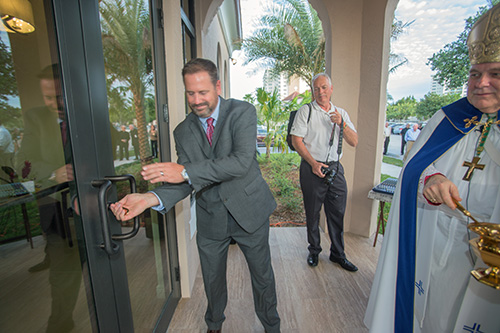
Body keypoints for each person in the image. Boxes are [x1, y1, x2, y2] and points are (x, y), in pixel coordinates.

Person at [110, 58, 280, 333]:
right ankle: (214, 325)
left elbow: (240, 162)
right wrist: (148, 198)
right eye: (191, 93)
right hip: (211, 216)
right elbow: (186, 181)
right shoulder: (182, 131)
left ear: (218, 86)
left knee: (262, 277)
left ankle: (272, 326)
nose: (197, 100)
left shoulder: (242, 112)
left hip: (250, 210)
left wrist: (185, 171)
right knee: (212, 280)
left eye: (203, 92)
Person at [365, 5, 500, 332]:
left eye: (495, 73)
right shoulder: (448, 119)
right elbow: (415, 167)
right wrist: (432, 176)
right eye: (474, 73)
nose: (481, 83)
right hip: (439, 247)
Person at [18, 64, 80, 332]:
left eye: (59, 95)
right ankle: (60, 323)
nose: (55, 103)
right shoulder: (35, 119)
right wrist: (53, 174)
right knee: (63, 273)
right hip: (55, 211)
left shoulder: (90, 114)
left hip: (92, 208)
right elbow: (23, 163)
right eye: (48, 97)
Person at [290, 73, 359, 271]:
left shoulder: (341, 113)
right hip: (312, 167)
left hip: (335, 168)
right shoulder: (306, 111)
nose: (320, 92)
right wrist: (312, 163)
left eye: (324, 88)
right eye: (316, 88)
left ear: (331, 89)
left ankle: (338, 254)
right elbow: (297, 140)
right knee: (312, 213)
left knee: (337, 213)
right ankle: (314, 251)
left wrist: (342, 124)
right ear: (313, 91)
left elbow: (354, 141)